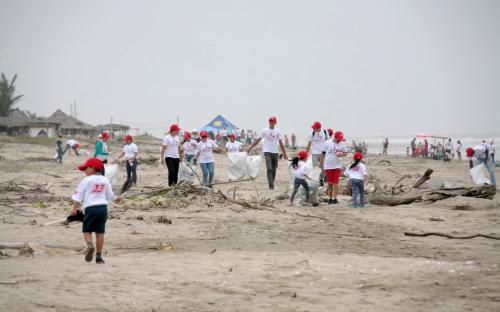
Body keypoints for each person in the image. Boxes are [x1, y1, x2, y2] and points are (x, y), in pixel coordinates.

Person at [71, 157, 119, 264]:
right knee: (100, 232)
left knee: (86, 230)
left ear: (93, 168)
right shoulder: (105, 180)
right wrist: (117, 198)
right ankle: (98, 257)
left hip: (91, 208)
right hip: (103, 209)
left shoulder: (87, 180)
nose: (84, 171)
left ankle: (90, 245)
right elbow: (110, 195)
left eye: (86, 169)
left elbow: (78, 196)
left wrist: (74, 209)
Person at [247, 116, 289, 190]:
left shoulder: (278, 131)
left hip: (275, 152)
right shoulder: (264, 130)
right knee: (269, 168)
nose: (271, 122)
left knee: (274, 169)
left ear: (275, 122)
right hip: (267, 151)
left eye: (272, 121)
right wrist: (250, 147)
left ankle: (271, 182)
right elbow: (258, 140)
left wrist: (284, 154)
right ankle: (271, 186)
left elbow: (281, 143)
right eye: (270, 121)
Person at [320, 131, 348, 204]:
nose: (340, 140)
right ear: (335, 137)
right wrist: (321, 163)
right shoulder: (327, 143)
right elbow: (323, 153)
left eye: (341, 139)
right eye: (339, 138)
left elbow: (346, 153)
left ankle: (335, 199)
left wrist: (341, 154)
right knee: (329, 183)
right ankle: (330, 198)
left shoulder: (342, 144)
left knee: (336, 182)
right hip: (328, 165)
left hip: (337, 165)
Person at [306, 121, 328, 187]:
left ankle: (321, 179)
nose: (313, 129)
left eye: (314, 128)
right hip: (314, 154)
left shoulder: (325, 132)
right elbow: (309, 144)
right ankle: (316, 182)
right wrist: (306, 154)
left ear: (318, 128)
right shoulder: (311, 133)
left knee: (324, 169)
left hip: (323, 154)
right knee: (316, 169)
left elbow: (328, 142)